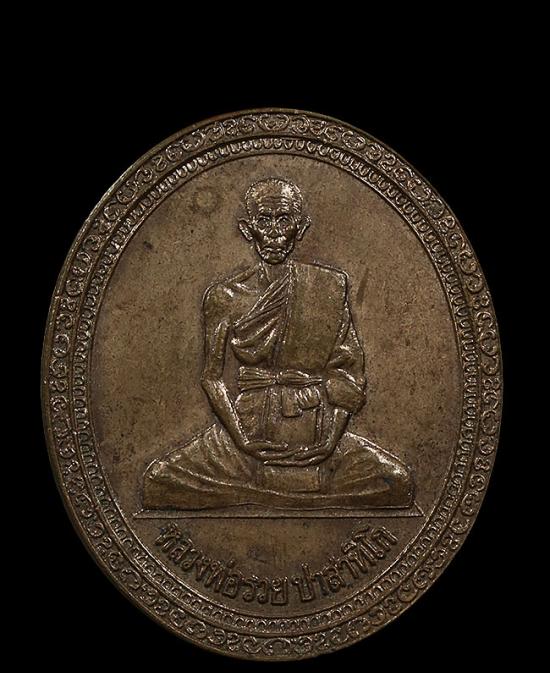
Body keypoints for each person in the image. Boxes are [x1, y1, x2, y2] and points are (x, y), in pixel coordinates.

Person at [143, 178, 414, 510]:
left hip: (316, 424)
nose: (274, 233)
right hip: (247, 427)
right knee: (159, 481)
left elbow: (348, 374)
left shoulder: (328, 287)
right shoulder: (224, 296)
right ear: (248, 229)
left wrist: (329, 443)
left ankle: (265, 497)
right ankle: (288, 498)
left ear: (300, 228)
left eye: (284, 220)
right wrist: (242, 440)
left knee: (397, 482)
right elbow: (211, 377)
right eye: (264, 220)